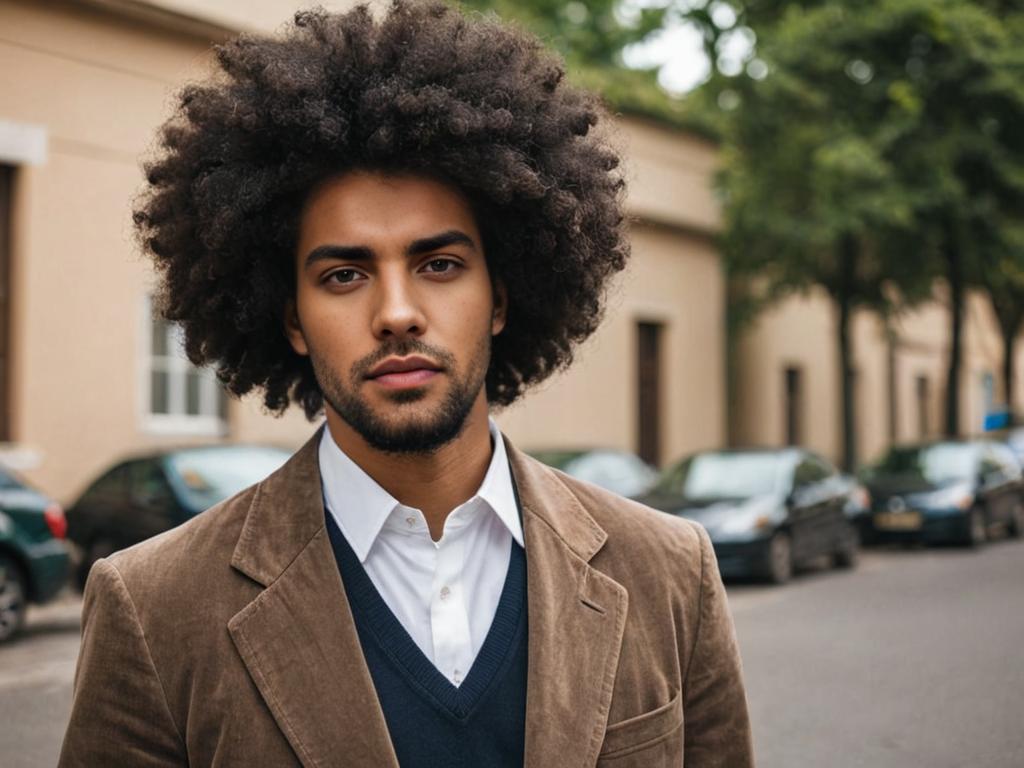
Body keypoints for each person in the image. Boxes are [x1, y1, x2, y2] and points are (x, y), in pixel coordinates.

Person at [58, 3, 753, 766]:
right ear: (291, 320)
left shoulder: (669, 572)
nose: (396, 313)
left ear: (502, 297)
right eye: (345, 273)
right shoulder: (156, 608)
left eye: (440, 265)